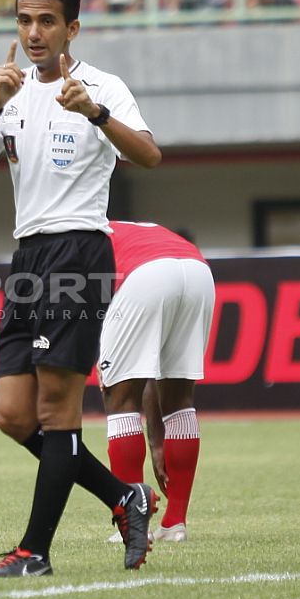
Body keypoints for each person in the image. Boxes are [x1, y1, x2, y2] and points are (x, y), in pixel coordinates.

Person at [0, 0, 163, 577]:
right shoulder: (11, 92)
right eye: (24, 21)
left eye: (47, 21)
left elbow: (149, 155)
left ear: (73, 27)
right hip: (28, 257)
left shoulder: (101, 87)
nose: (34, 33)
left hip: (79, 252)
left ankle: (34, 552)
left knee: (56, 409)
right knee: (13, 415)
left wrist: (95, 112)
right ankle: (125, 497)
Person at [99, 221, 214, 544]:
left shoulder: (75, 234)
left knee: (119, 400)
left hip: (145, 274)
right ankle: (175, 524)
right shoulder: (133, 228)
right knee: (180, 400)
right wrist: (157, 441)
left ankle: (133, 526)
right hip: (197, 271)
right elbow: (149, 372)